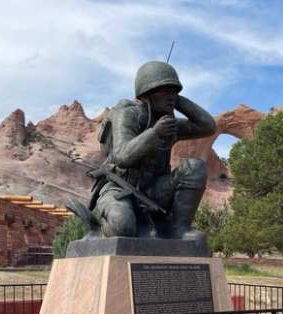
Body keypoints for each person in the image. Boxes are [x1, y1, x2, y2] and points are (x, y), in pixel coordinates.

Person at [91, 61, 217, 241]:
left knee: (194, 167)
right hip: (119, 187)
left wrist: (176, 100)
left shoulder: (168, 123)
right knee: (122, 225)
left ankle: (179, 229)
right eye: (164, 91)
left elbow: (208, 126)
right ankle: (99, 231)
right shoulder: (127, 115)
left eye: (174, 91)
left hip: (154, 190)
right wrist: (154, 133)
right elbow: (121, 156)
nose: (171, 96)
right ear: (146, 93)